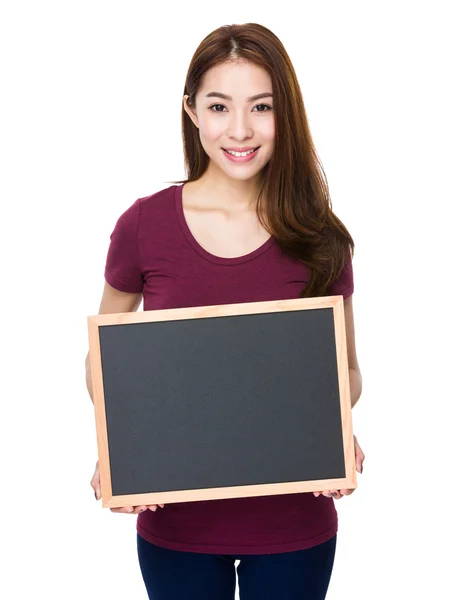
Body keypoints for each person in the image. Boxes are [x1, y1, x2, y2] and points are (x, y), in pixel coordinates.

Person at [86, 22, 365, 600]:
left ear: (285, 113)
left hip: (295, 524)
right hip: (176, 525)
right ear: (191, 111)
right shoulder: (143, 226)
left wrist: (335, 426)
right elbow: (105, 356)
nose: (240, 129)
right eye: (219, 106)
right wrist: (118, 450)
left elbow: (348, 371)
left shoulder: (320, 236)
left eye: (261, 107)